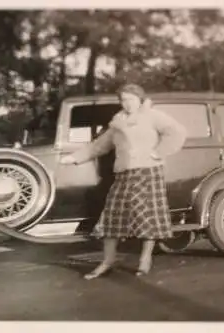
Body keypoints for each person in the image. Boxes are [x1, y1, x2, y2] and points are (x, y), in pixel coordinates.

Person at [60, 84, 187, 279]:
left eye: (131, 99)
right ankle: (107, 261)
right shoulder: (117, 123)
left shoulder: (153, 116)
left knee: (146, 216)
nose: (127, 103)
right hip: (123, 174)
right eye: (123, 100)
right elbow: (99, 145)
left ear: (140, 99)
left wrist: (158, 152)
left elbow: (177, 132)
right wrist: (73, 158)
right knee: (112, 217)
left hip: (148, 171)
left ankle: (145, 259)